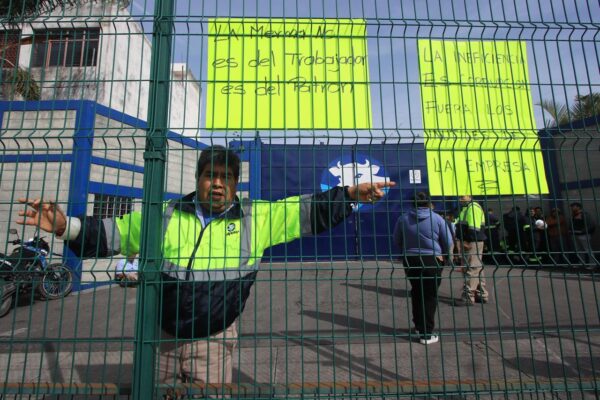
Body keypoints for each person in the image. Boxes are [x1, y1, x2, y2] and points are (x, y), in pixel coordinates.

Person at [16, 145, 395, 391]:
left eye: (226, 177)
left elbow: (306, 210)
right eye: (210, 175)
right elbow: (110, 234)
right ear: (198, 178)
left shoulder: (255, 218)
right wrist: (64, 227)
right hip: (160, 339)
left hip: (214, 341)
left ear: (235, 183)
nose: (217, 184)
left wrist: (349, 194)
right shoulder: (164, 217)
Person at [394, 192, 453, 345]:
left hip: (411, 259)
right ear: (428, 202)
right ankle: (426, 333)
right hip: (431, 259)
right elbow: (448, 241)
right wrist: (445, 256)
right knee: (429, 296)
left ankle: (418, 326)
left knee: (416, 292)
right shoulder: (437, 218)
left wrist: (407, 249)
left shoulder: (403, 218)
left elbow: (397, 239)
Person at [454, 195, 488, 306]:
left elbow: (474, 228)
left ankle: (468, 297)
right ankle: (481, 294)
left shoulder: (472, 208)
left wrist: (466, 241)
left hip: (471, 242)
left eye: (462, 197)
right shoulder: (467, 208)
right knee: (477, 268)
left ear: (469, 196)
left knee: (470, 268)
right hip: (472, 241)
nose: (460, 199)